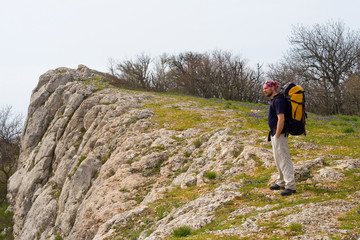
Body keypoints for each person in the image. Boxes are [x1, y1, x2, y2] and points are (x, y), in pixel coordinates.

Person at [263, 80, 296, 196]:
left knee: (284, 159)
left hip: (279, 135)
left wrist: (277, 134)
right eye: (264, 88)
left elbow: (281, 118)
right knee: (278, 159)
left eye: (266, 88)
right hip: (275, 134)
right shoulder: (274, 100)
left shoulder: (278, 100)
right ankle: (281, 181)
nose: (264, 90)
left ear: (273, 88)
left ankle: (290, 186)